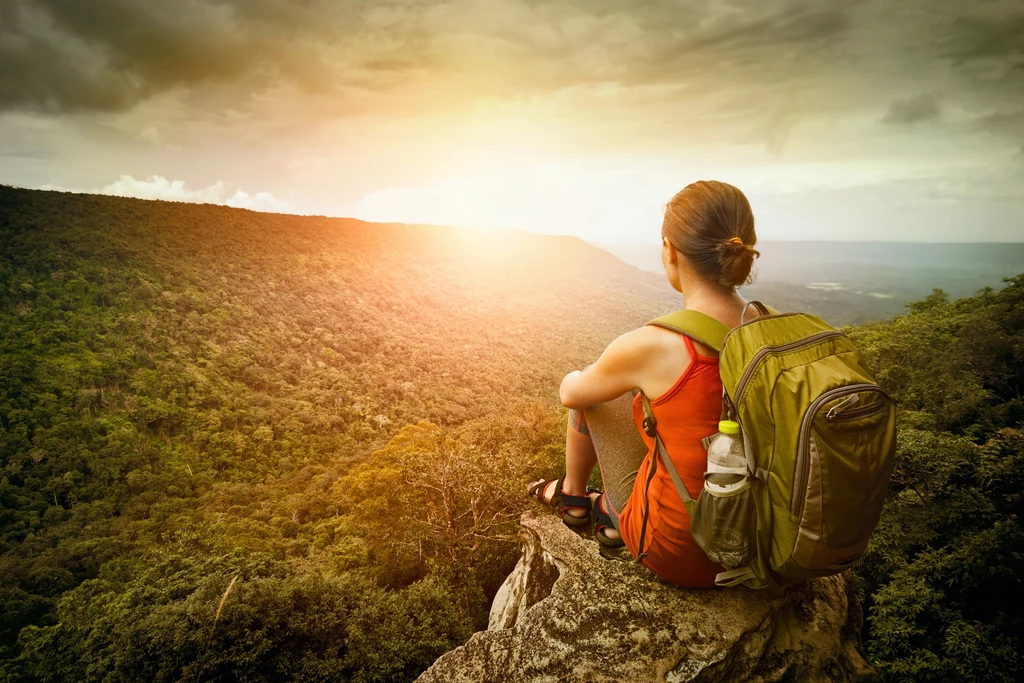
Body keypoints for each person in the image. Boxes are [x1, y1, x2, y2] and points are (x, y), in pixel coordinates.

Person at [528, 180, 763, 587]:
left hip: (684, 553)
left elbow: (572, 395)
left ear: (670, 251)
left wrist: (576, 375)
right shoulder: (768, 326)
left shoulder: (654, 345)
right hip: (758, 542)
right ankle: (598, 509)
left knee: (591, 391)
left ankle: (576, 500)